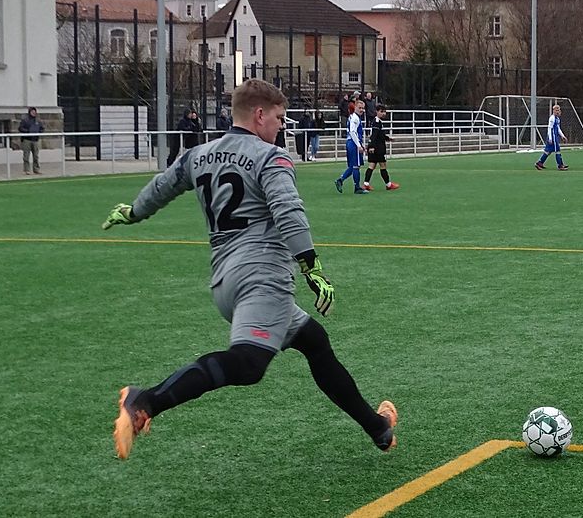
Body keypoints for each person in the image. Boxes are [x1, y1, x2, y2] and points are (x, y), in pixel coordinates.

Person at [101, 78, 398, 460]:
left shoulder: (199, 154)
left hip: (225, 280)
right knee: (248, 364)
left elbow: (163, 186)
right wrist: (312, 267)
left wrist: (133, 212)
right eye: (278, 117)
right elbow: (288, 211)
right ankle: (147, 401)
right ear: (259, 115)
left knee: (314, 342)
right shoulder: (270, 157)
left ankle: (378, 428)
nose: (281, 126)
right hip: (263, 278)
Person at [335, 100, 369, 194]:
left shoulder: (354, 117)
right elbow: (353, 132)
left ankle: (340, 180)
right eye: (360, 108)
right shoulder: (355, 118)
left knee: (352, 166)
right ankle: (357, 187)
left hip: (351, 142)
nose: (361, 110)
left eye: (363, 108)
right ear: (355, 107)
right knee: (356, 166)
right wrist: (358, 145)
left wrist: (361, 144)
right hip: (353, 143)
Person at [364, 105, 399, 191]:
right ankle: (388, 184)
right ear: (377, 111)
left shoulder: (377, 121)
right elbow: (374, 135)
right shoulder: (376, 121)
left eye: (384, 112)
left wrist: (388, 138)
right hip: (378, 148)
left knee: (372, 165)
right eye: (381, 111)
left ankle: (366, 184)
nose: (383, 113)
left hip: (375, 147)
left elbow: (379, 135)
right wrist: (371, 146)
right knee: (383, 165)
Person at [535, 104, 568, 171]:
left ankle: (539, 163)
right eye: (556, 110)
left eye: (558, 110)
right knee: (557, 151)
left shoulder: (557, 119)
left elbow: (558, 128)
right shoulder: (552, 118)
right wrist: (550, 138)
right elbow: (549, 128)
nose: (558, 111)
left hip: (555, 136)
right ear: (553, 111)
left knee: (548, 151)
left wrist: (563, 136)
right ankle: (560, 165)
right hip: (552, 137)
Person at [19, 107, 44, 175]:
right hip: (27, 140)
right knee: (26, 156)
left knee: (36, 156)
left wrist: (38, 132)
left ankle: (36, 169)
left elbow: (42, 129)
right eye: (32, 112)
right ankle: (27, 170)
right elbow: (21, 128)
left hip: (35, 140)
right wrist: (28, 131)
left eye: (35, 112)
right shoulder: (25, 120)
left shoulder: (38, 121)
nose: (34, 113)